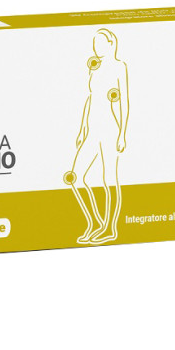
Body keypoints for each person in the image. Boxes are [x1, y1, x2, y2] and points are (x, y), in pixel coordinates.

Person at [64, 28, 129, 244]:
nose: (96, 47)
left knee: (108, 178)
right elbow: (91, 98)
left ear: (111, 44)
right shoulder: (95, 67)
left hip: (109, 129)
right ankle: (94, 223)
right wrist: (82, 128)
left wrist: (122, 133)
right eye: (94, 44)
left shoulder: (119, 67)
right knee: (76, 176)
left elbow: (124, 102)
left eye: (100, 43)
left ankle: (110, 228)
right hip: (92, 130)